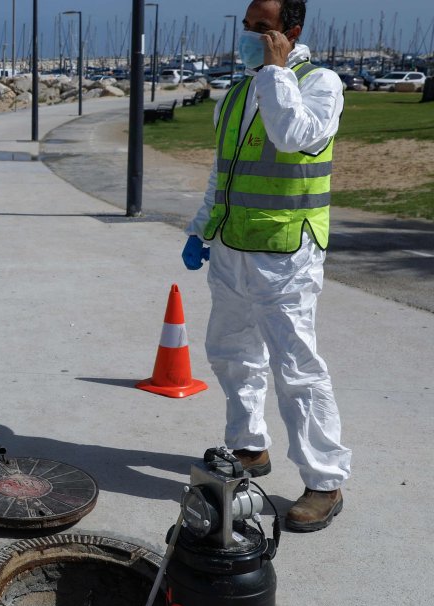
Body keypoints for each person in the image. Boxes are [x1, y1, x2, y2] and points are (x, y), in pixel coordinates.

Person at [182, 0, 350, 532]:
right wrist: (199, 229)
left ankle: (325, 481)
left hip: (286, 251)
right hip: (233, 246)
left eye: (263, 28)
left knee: (296, 368)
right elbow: (223, 171)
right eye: (247, 26)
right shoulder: (236, 92)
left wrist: (277, 74)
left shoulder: (319, 83)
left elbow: (295, 136)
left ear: (291, 32)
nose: (250, 36)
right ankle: (249, 446)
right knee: (231, 353)